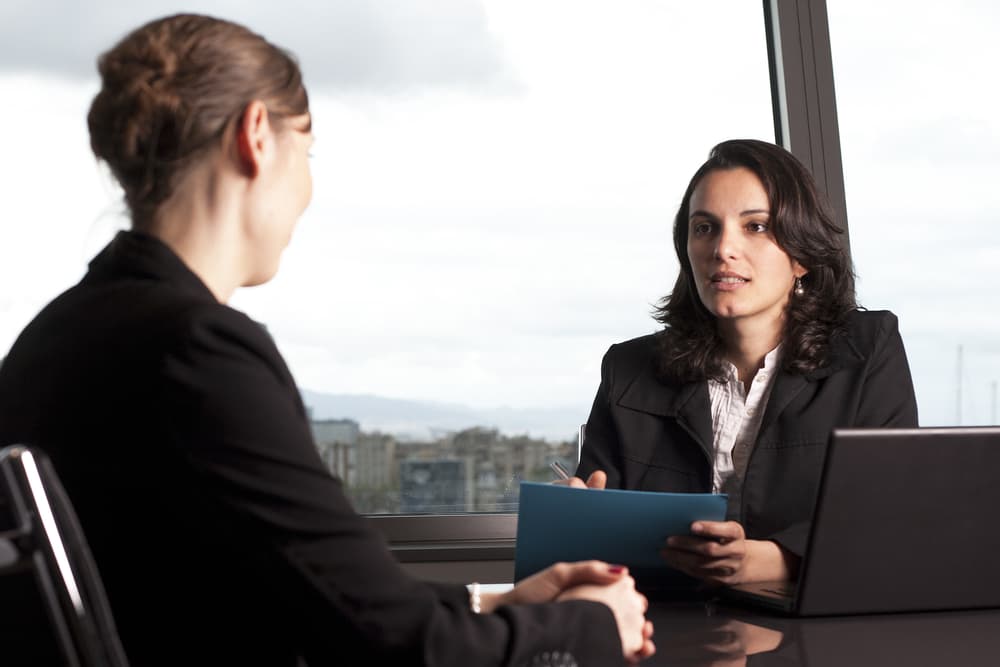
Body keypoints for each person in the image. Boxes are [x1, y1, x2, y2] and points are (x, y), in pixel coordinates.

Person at [0, 14, 655, 666]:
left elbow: (309, 597)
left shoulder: (55, 337)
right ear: (256, 134)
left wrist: (502, 601)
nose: (308, 189)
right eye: (306, 153)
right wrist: (589, 625)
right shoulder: (195, 352)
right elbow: (399, 649)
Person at [567, 139, 918, 587]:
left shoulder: (868, 350)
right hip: (662, 631)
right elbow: (596, 532)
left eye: (755, 227)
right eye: (704, 228)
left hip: (813, 630)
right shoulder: (629, 367)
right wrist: (571, 518)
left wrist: (766, 561)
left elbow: (888, 517)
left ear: (802, 255)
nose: (723, 249)